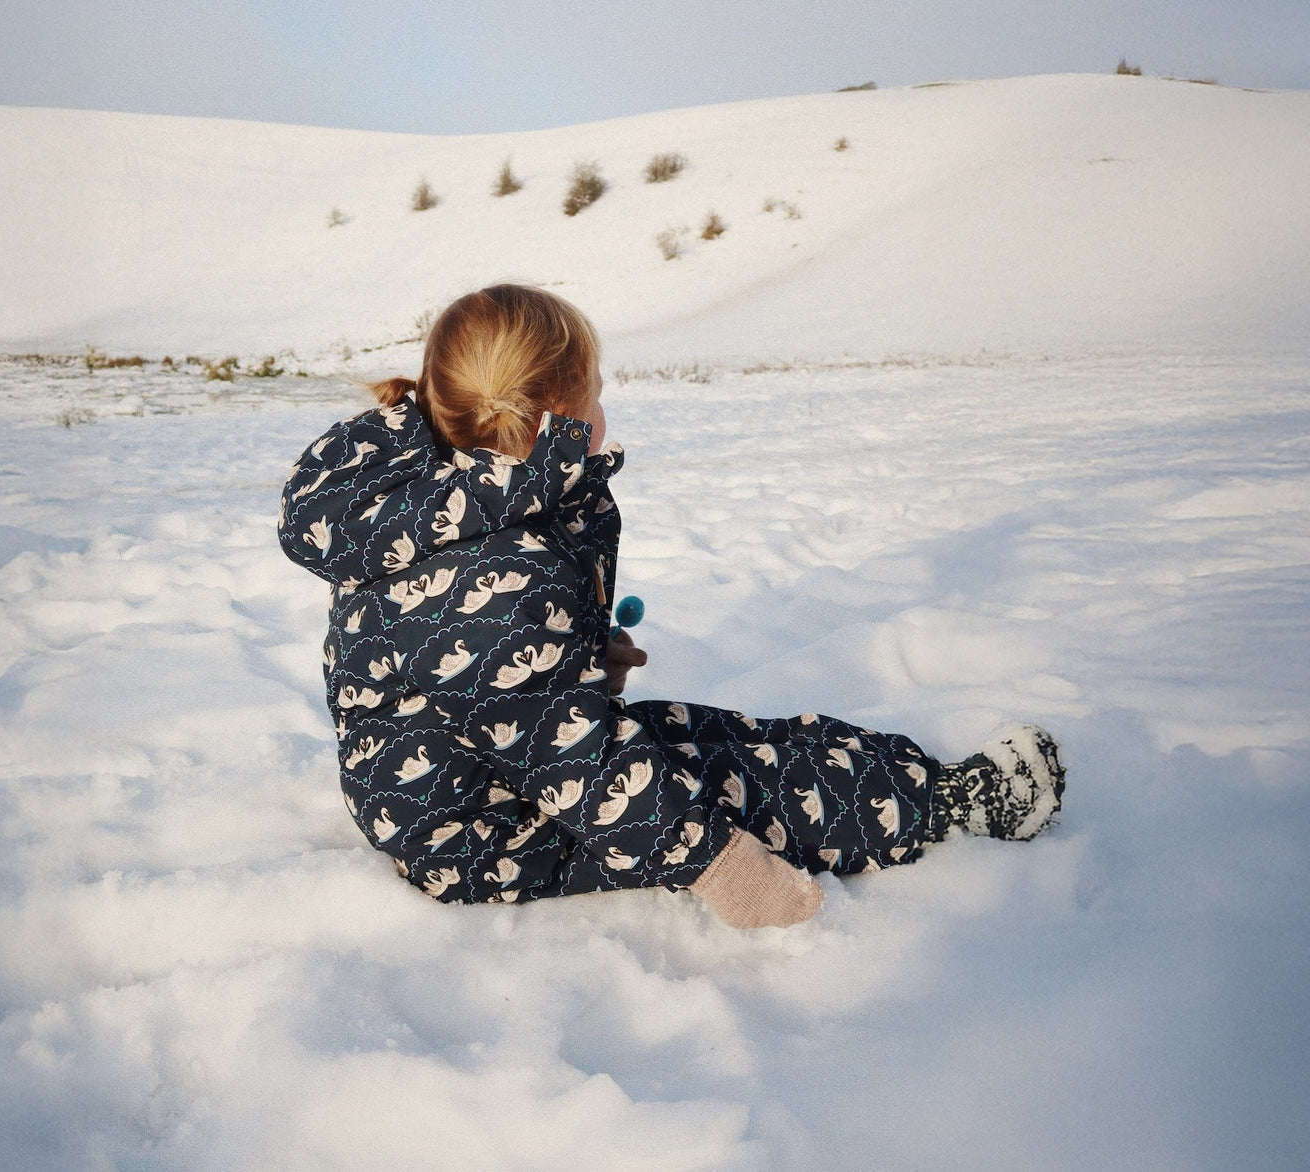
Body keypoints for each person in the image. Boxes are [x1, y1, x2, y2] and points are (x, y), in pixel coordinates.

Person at [278, 284, 1064, 929]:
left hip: (442, 791)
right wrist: (725, 870)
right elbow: (578, 767)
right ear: (559, 413)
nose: (607, 406)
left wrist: (568, 662)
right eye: (599, 389)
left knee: (714, 737)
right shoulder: (498, 565)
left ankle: (901, 779)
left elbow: (464, 673)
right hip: (481, 835)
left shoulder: (434, 499)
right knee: (734, 778)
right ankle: (954, 805)